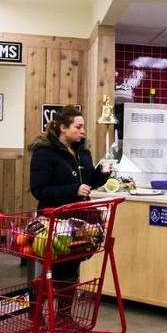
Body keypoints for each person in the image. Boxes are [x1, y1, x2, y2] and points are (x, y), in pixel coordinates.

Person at [28, 105, 111, 285]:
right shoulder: (44, 153)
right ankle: (41, 309)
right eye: (78, 127)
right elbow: (39, 190)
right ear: (63, 128)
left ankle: (65, 313)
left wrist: (103, 174)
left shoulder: (83, 152)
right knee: (55, 271)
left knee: (71, 269)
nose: (83, 131)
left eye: (83, 127)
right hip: (54, 221)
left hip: (80, 219)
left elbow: (89, 182)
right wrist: (73, 190)